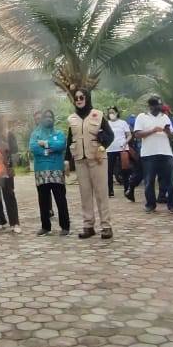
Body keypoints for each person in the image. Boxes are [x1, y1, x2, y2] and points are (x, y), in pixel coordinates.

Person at [65, 89, 114, 240]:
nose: (79, 100)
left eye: (81, 97)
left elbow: (110, 135)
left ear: (87, 98)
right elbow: (70, 140)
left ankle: (106, 226)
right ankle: (88, 226)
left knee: (101, 193)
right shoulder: (72, 119)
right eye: (76, 98)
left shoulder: (98, 115)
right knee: (85, 194)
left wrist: (101, 148)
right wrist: (67, 160)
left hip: (97, 159)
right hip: (80, 160)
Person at [134, 97, 173, 213]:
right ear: (151, 107)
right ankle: (150, 204)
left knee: (171, 181)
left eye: (160, 108)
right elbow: (137, 134)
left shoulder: (165, 117)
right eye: (156, 108)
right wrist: (153, 130)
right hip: (149, 153)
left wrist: (168, 131)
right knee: (149, 181)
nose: (159, 110)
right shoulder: (142, 117)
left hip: (165, 152)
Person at [29, 110, 70, 236]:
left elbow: (61, 145)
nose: (48, 119)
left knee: (60, 199)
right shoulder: (35, 134)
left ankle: (65, 226)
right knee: (43, 201)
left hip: (57, 171)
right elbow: (33, 148)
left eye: (50, 116)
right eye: (46, 117)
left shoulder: (59, 133)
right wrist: (50, 150)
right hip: (41, 172)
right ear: (41, 119)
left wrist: (45, 143)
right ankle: (45, 226)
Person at [105, 107, 131, 199]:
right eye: (110, 113)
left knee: (125, 170)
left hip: (122, 148)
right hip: (110, 149)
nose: (111, 114)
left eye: (113, 112)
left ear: (117, 113)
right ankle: (110, 190)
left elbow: (129, 135)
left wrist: (125, 142)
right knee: (109, 170)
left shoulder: (123, 123)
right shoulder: (106, 123)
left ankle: (127, 189)